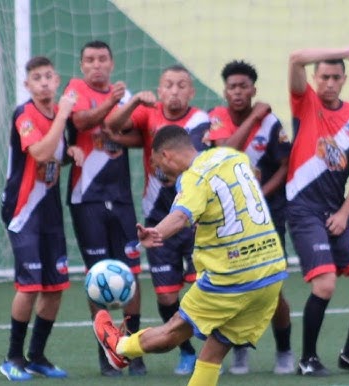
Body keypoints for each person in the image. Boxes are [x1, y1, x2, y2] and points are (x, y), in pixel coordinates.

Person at [94, 125, 288, 386]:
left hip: (233, 275)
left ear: (166, 156)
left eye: (157, 165)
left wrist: (156, 232)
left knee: (174, 330)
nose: (161, 173)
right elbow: (252, 177)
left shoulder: (194, 176)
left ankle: (120, 349)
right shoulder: (233, 156)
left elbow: (181, 215)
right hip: (271, 273)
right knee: (213, 352)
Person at [104, 64, 210, 375]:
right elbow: (112, 127)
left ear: (191, 92)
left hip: (194, 219)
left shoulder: (201, 122)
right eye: (168, 85)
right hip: (157, 217)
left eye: (181, 86)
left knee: (199, 289)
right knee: (165, 294)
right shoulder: (149, 114)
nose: (175, 91)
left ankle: (212, 351)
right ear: (159, 90)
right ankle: (187, 351)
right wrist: (135, 102)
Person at [287, 45, 349, 376]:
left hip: (335, 210)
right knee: (325, 285)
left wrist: (344, 213)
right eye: (323, 77)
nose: (329, 83)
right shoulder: (305, 102)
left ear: (344, 80)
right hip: (303, 210)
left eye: (335, 77)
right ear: (315, 78)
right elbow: (295, 58)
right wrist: (345, 49)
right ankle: (308, 359)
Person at [63, 40, 146, 376]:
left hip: (122, 198)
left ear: (111, 64)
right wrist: (111, 102)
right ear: (82, 66)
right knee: (97, 276)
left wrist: (120, 114)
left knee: (133, 274)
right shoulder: (75, 90)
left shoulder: (123, 97)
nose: (96, 65)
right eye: (89, 60)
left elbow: (140, 135)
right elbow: (81, 122)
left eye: (102, 59)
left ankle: (137, 350)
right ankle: (107, 353)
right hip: (87, 199)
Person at [207, 60, 294, 375]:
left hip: (267, 217)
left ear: (253, 89)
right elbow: (224, 153)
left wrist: (259, 195)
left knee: (272, 288)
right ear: (225, 91)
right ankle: (240, 350)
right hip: (229, 221)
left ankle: (284, 349)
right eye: (232, 87)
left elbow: (285, 167)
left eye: (244, 86)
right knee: (236, 286)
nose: (238, 92)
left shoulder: (271, 125)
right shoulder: (217, 118)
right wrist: (254, 116)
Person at [0, 56, 84, 381]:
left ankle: (36, 356)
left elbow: (55, 156)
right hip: (23, 211)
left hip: (49, 211)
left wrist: (71, 154)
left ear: (57, 79)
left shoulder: (60, 119)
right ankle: (12, 357)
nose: (45, 82)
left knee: (55, 286)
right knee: (30, 285)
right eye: (37, 78)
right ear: (28, 85)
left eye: (49, 76)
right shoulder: (25, 114)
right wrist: (63, 114)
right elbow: (39, 153)